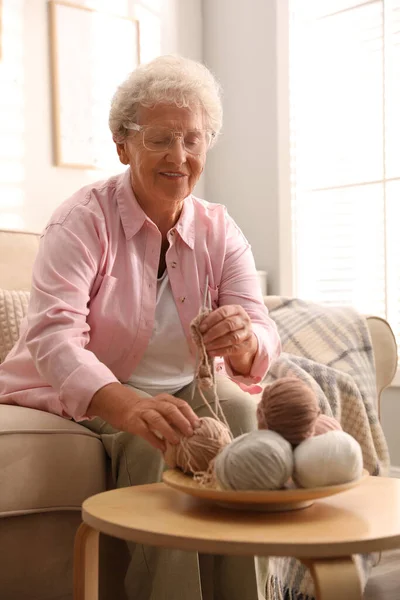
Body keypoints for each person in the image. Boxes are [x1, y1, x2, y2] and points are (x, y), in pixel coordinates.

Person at [0, 55, 281, 599]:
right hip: (81, 388)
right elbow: (54, 336)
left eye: (193, 140)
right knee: (157, 439)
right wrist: (126, 406)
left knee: (246, 413)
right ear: (122, 145)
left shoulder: (220, 229)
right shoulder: (81, 220)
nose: (180, 157)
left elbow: (261, 328)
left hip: (180, 384)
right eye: (160, 139)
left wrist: (245, 341)